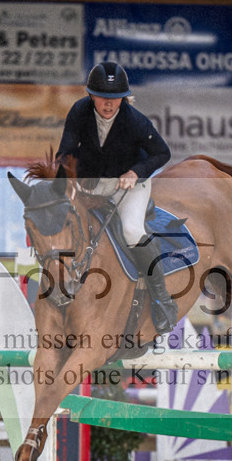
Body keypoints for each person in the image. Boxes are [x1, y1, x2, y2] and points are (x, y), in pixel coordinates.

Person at [56, 61, 178, 333]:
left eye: (114, 98)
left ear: (123, 98)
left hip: (129, 185)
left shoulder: (135, 120)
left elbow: (162, 153)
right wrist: (67, 179)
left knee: (132, 231)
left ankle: (161, 299)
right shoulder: (79, 111)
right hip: (93, 184)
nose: (108, 104)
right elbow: (64, 152)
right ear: (91, 95)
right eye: (102, 97)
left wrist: (136, 172)